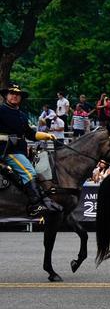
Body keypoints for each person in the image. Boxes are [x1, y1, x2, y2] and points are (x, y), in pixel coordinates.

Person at [0, 83, 62, 216]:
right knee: (29, 172)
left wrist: (46, 135)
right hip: (7, 151)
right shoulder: (1, 110)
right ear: (6, 96)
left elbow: (30, 134)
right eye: (12, 93)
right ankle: (35, 204)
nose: (15, 96)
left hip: (21, 151)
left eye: (18, 94)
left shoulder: (22, 115)